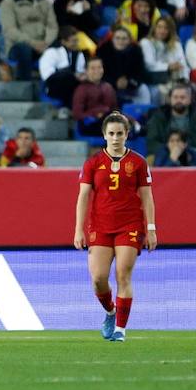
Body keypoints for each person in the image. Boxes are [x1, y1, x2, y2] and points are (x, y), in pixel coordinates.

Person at [74, 111, 158, 342]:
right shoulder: (93, 163)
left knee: (123, 274)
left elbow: (147, 197)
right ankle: (111, 311)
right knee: (98, 278)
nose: (115, 138)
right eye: (111, 133)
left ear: (127, 135)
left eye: (120, 133)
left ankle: (120, 329)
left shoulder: (138, 162)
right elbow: (83, 197)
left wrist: (151, 228)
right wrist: (78, 229)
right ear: (104, 135)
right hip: (100, 226)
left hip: (129, 225)